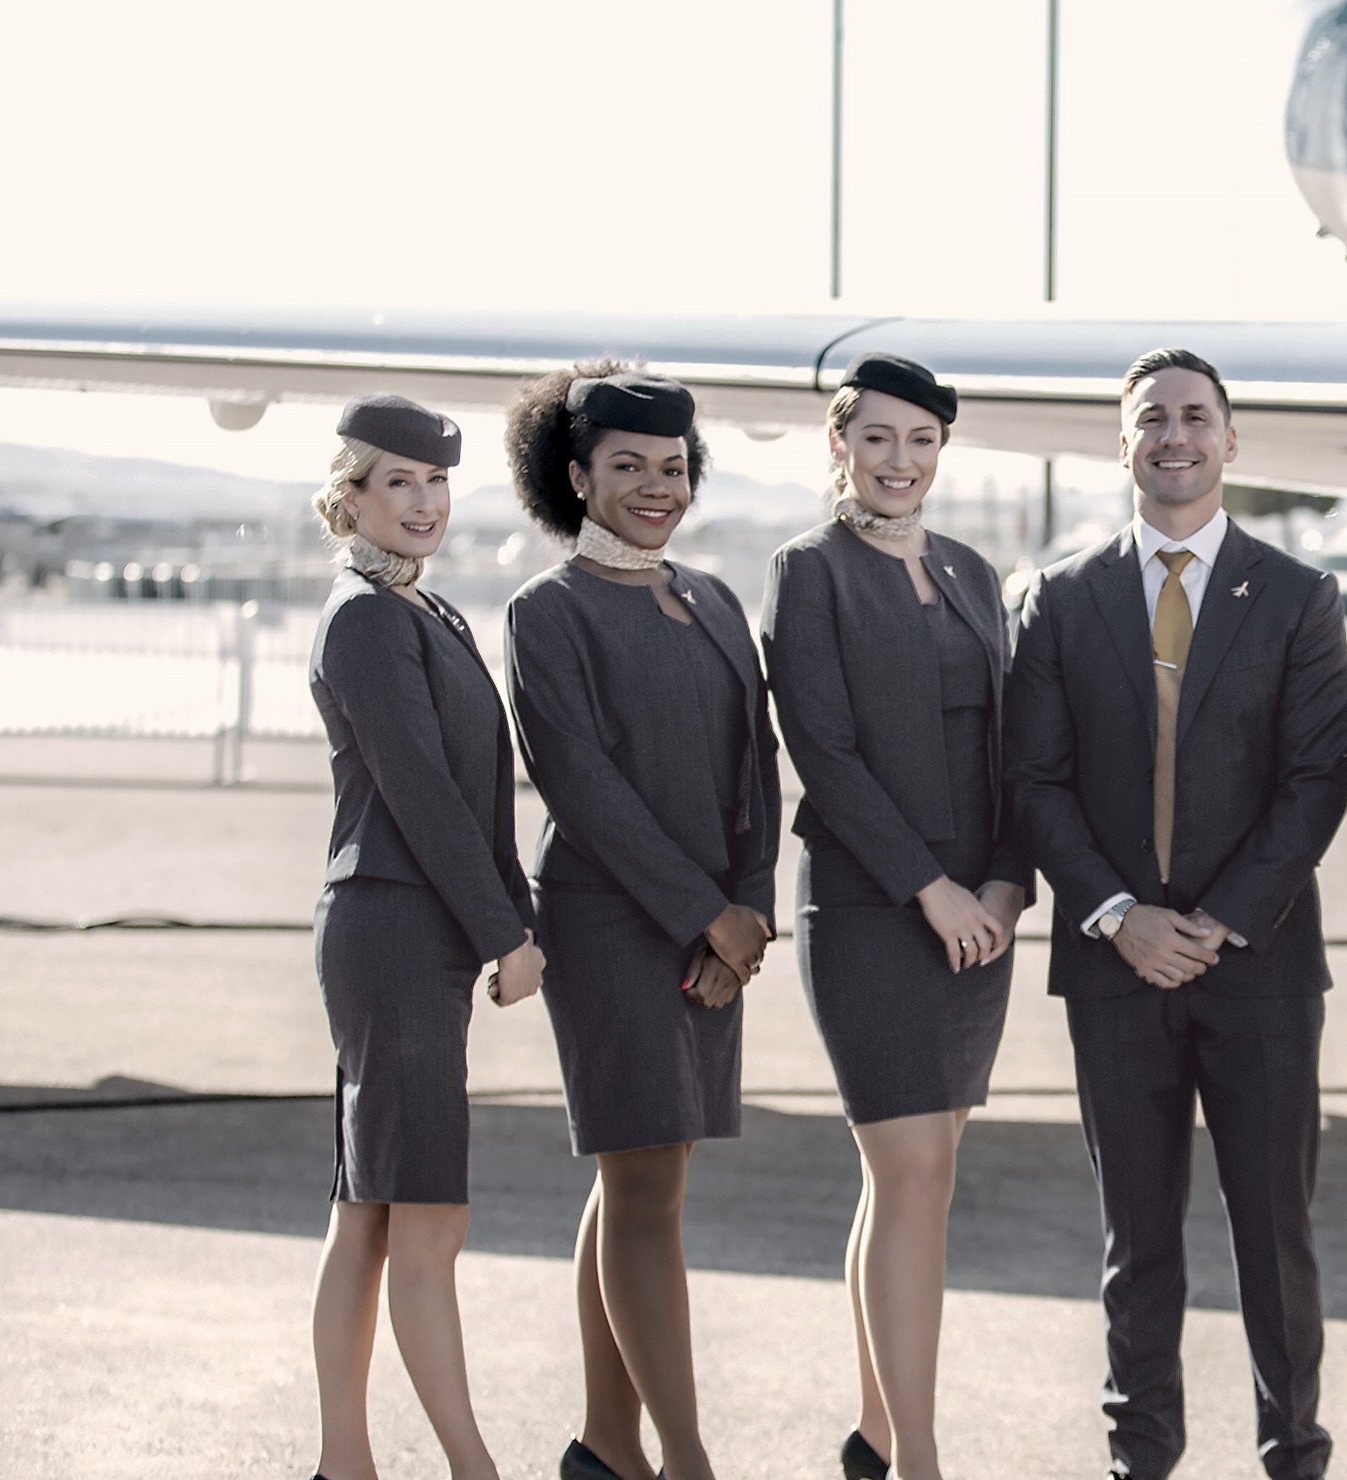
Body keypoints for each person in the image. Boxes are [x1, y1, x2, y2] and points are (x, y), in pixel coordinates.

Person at [1006, 348, 1347, 1480]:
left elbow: (1317, 780)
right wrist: (1118, 913)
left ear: (1230, 440)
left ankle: (1293, 1452)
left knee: (1275, 1239)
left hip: (1255, 967)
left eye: (1196, 416)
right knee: (1137, 1243)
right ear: (1123, 442)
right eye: (1151, 417)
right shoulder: (1062, 597)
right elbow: (1037, 781)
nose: (1174, 435)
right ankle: (1138, 1457)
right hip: (1115, 968)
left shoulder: (1298, 596)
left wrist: (1218, 920)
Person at [503, 363, 780, 1480]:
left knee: (638, 1180)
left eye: (672, 467)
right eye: (627, 467)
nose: (655, 488)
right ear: (575, 477)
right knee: (645, 1189)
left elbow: (755, 765)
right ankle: (688, 1459)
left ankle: (606, 1444)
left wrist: (746, 912)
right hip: (611, 924)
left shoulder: (714, 597)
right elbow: (584, 787)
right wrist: (704, 915)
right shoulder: (546, 611)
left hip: (715, 924)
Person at [760, 353, 1034, 1480]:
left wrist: (1009, 885)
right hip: (878, 909)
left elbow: (1020, 744)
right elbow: (822, 747)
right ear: (840, 444)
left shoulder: (973, 570)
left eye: (920, 441)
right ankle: (920, 1455)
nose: (899, 461)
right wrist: (932, 888)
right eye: (877, 438)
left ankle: (876, 1440)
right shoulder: (808, 570)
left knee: (918, 1179)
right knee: (910, 1168)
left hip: (982, 919)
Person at [305, 393, 540, 1480]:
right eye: (397, 481)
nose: (423, 501)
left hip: (407, 925)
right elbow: (424, 795)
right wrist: (510, 933)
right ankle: (470, 1468)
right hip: (395, 926)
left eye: (436, 481)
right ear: (349, 496)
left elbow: (468, 793)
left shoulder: (420, 612)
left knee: (371, 1209)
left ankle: (345, 1462)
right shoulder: (365, 617)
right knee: (425, 1220)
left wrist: (503, 922)